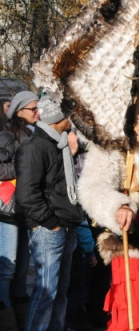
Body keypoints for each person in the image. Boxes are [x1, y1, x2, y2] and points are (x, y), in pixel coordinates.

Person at [15, 95, 84, 331]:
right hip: (49, 229)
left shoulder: (60, 144)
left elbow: (58, 185)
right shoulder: (34, 147)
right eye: (69, 115)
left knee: (60, 292)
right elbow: (26, 194)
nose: (73, 119)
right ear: (57, 117)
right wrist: (50, 222)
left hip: (66, 225)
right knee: (45, 292)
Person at [0, 91, 38, 327]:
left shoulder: (34, 133)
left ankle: (20, 318)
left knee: (22, 269)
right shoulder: (7, 135)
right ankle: (6, 319)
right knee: (8, 267)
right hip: (8, 210)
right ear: (18, 111)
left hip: (26, 209)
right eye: (32, 108)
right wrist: (23, 168)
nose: (38, 112)